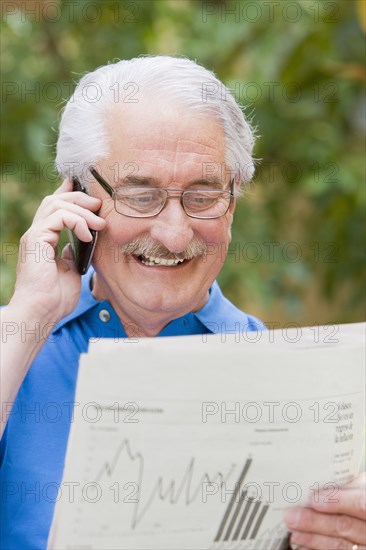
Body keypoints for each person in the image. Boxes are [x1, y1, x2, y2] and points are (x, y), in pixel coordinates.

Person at [1, 56, 364, 550]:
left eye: (202, 195)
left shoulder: (293, 382)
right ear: (79, 198)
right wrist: (28, 316)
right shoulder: (16, 348)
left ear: (233, 201)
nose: (174, 235)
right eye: (141, 194)